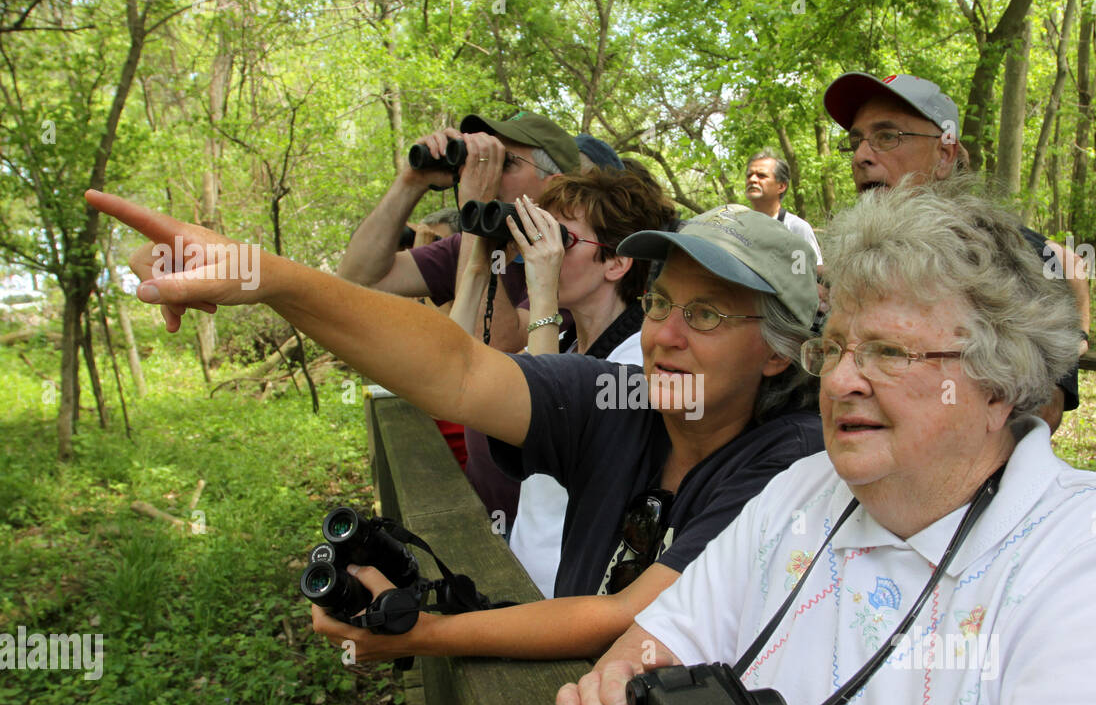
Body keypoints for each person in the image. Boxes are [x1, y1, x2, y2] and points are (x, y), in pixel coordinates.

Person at [556, 180, 1096, 705]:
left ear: (999, 381)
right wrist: (622, 677)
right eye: (833, 349)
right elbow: (674, 629)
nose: (842, 381)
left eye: (889, 351)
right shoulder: (801, 493)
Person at [86, 190, 823, 663]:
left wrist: (429, 633)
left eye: (707, 315)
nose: (666, 336)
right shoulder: (626, 403)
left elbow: (624, 614)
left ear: (777, 352)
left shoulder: (792, 465)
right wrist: (265, 277)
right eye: (662, 305)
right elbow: (458, 371)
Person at [447, 168, 677, 594]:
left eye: (561, 238)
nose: (542, 248)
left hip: (569, 605)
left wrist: (543, 291)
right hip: (523, 581)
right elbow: (453, 373)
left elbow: (542, 410)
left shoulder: (637, 364)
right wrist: (480, 263)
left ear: (616, 262)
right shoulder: (564, 344)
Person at [822, 71, 1089, 431]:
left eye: (887, 137)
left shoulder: (1017, 256)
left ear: (945, 154)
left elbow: (1045, 408)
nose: (861, 156)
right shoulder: (849, 258)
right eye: (856, 142)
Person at [336, 110, 581, 324]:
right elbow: (356, 281)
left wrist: (477, 208)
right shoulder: (467, 247)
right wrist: (412, 182)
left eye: (504, 163)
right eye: (480, 158)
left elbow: (489, 345)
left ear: (553, 185)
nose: (486, 171)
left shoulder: (578, 258)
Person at [744, 149, 823, 266]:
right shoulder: (738, 226)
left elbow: (814, 273)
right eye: (749, 175)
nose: (752, 179)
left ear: (781, 186)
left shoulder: (796, 229)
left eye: (761, 176)